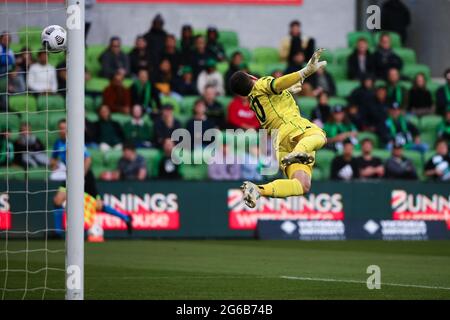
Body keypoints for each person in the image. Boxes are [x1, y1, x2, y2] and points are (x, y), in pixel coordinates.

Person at [229, 49, 327, 208]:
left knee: (302, 185)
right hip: (293, 128)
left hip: (280, 142)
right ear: (251, 77)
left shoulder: (254, 102)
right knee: (320, 136)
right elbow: (277, 84)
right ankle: (298, 153)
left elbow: (274, 98)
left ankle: (259, 189)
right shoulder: (260, 83)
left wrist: (287, 91)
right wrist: (304, 72)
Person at [51, 121, 132, 236]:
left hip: (85, 176)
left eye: (65, 128)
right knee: (58, 200)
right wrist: (55, 163)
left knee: (98, 205)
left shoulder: (75, 141)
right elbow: (53, 159)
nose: (62, 131)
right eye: (61, 128)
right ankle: (58, 233)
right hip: (70, 177)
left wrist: (81, 176)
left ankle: (125, 218)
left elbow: (88, 160)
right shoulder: (58, 143)